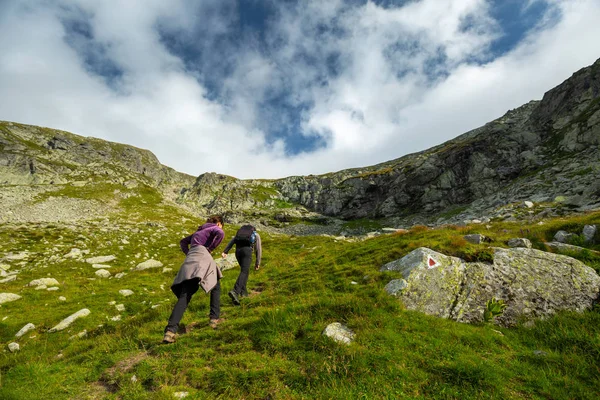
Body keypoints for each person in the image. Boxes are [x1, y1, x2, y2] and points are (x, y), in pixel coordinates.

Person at [163, 215, 225, 344]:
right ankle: (214, 319)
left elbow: (183, 242)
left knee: (185, 295)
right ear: (219, 223)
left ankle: (170, 331)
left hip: (190, 259)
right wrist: (211, 248)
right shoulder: (215, 228)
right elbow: (220, 233)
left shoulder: (198, 232)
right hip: (203, 256)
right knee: (216, 283)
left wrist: (189, 252)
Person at [221, 224, 262, 306]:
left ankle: (244, 294)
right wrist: (258, 262)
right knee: (244, 271)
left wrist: (226, 251)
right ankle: (235, 291)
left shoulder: (240, 234)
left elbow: (232, 241)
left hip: (238, 252)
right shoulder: (255, 234)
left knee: (244, 272)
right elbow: (258, 249)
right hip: (247, 251)